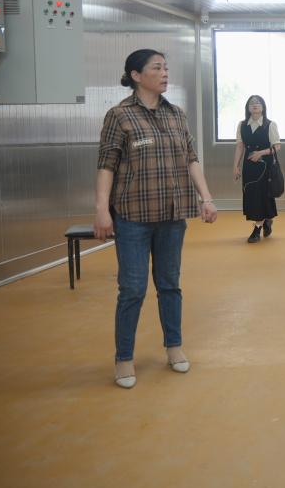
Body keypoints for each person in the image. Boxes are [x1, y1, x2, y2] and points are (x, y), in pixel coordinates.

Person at [94, 49, 218, 389]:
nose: (165, 73)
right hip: (132, 216)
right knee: (132, 289)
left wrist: (206, 198)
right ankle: (124, 358)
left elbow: (191, 159)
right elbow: (106, 165)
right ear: (136, 75)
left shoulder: (176, 114)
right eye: (157, 68)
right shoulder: (119, 116)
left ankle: (174, 346)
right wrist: (102, 209)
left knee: (169, 284)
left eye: (166, 67)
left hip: (172, 216)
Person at [233, 95, 281, 243]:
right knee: (252, 195)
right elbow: (240, 146)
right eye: (252, 103)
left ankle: (257, 229)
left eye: (258, 103)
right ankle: (266, 220)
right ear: (248, 108)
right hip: (249, 166)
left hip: (265, 166)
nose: (255, 105)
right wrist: (235, 166)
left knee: (262, 195)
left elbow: (277, 147)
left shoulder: (270, 125)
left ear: (263, 107)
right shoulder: (242, 125)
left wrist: (261, 153)